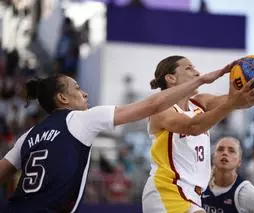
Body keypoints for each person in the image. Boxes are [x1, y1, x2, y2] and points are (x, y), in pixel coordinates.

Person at [0, 69, 227, 212]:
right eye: (78, 89)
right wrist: (200, 82)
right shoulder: (81, 119)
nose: (85, 94)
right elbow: (152, 106)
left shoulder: (28, 136)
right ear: (62, 98)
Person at [142, 55, 254, 213]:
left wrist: (249, 88)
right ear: (171, 78)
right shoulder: (161, 108)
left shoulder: (200, 102)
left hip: (193, 195)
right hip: (166, 190)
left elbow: (237, 102)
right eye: (189, 68)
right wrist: (231, 103)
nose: (197, 72)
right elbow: (194, 126)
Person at [201, 137, 254, 213]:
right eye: (220, 149)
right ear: (213, 157)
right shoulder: (200, 185)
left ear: (239, 162)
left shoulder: (247, 193)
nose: (225, 153)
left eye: (231, 151)